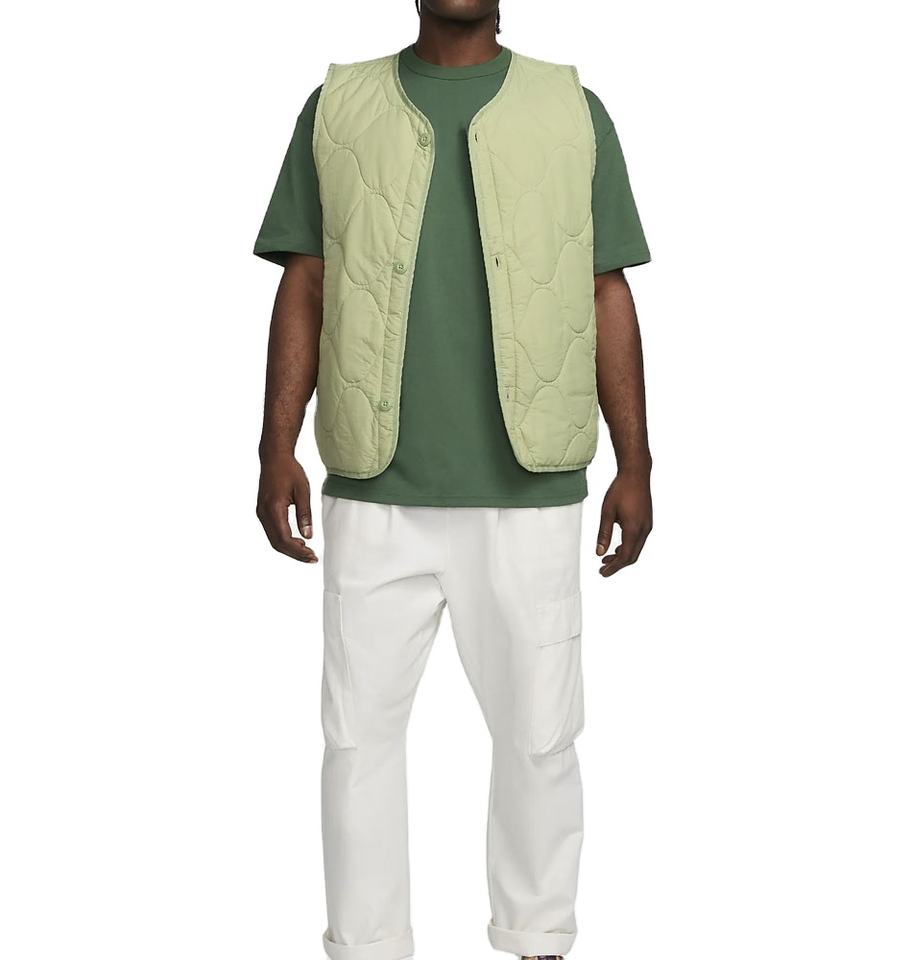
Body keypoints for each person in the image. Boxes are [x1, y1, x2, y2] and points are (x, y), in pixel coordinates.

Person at [253, 2, 653, 958]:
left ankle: (536, 940)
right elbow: (304, 278)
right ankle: (367, 946)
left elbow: (606, 286)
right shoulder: (337, 106)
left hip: (530, 493)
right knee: (356, 743)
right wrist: (275, 447)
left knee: (540, 739)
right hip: (374, 490)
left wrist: (636, 462)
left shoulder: (572, 108)